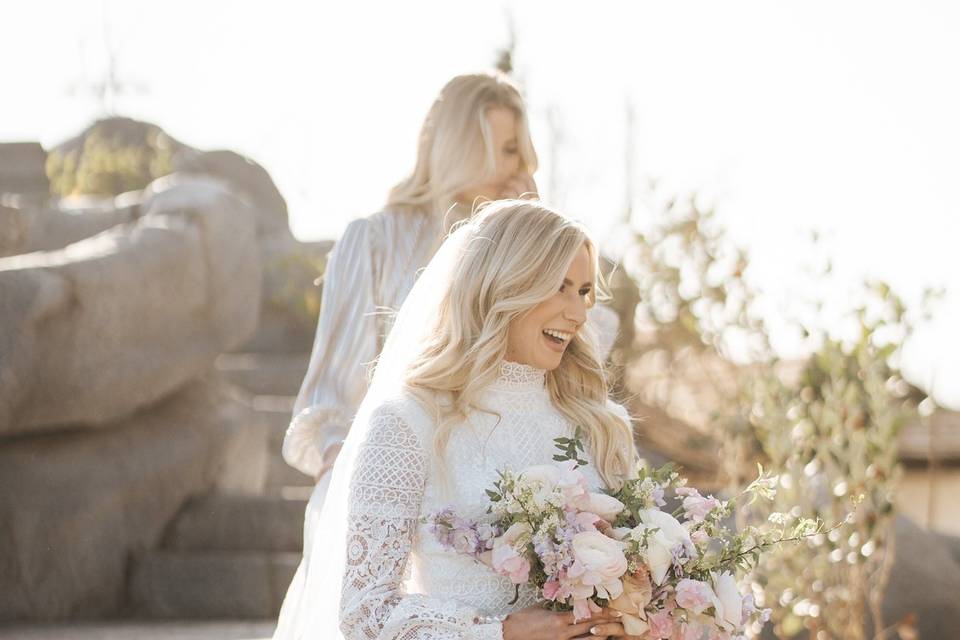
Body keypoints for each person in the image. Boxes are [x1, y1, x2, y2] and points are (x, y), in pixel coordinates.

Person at [273, 200, 643, 640]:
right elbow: (365, 613)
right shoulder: (408, 421)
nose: (579, 313)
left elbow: (640, 570)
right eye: (558, 287)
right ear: (502, 284)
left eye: (583, 291)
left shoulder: (603, 425)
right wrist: (500, 632)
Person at [281, 71, 540, 503]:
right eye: (504, 149)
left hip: (491, 490)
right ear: (459, 146)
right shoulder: (373, 240)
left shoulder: (512, 249)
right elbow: (334, 388)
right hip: (385, 481)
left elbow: (564, 353)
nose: (515, 167)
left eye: (518, 151)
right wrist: (344, 473)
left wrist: (532, 238)